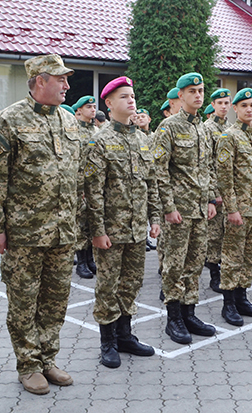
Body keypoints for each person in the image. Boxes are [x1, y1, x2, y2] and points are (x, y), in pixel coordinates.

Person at [0, 54, 81, 395]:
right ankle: (28, 364)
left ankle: (47, 358)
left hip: (63, 232)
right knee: (24, 302)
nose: (67, 85)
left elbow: (75, 177)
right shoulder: (9, 120)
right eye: (61, 79)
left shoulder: (69, 121)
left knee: (55, 300)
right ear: (40, 81)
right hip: (25, 234)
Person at [84, 77, 161, 368]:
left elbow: (150, 183)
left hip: (137, 228)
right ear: (109, 103)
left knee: (131, 283)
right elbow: (92, 192)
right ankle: (108, 342)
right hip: (111, 231)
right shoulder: (99, 141)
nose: (131, 101)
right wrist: (97, 231)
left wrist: (154, 219)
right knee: (108, 285)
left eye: (132, 95)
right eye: (124, 97)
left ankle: (125, 334)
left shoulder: (142, 138)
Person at [152, 72, 218, 344]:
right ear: (180, 96)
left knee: (194, 263)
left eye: (201, 90)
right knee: (174, 265)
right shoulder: (168, 127)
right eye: (192, 91)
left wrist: (212, 199)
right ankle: (174, 317)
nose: (198, 95)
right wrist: (168, 207)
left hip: (200, 210)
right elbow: (158, 171)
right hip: (178, 210)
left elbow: (209, 168)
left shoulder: (203, 128)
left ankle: (190, 312)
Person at [216, 88, 252, 325]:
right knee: (232, 257)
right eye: (244, 106)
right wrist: (231, 209)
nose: (249, 109)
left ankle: (242, 297)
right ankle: (228, 303)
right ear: (235, 109)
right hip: (239, 209)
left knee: (251, 255)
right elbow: (224, 177)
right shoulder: (228, 137)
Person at [203, 88, 232, 293]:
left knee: (227, 234)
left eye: (226, 103)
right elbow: (206, 164)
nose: (223, 106)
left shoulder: (230, 128)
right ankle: (214, 275)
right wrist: (213, 194)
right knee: (214, 235)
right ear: (213, 105)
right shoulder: (206, 128)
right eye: (219, 103)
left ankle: (223, 270)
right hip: (215, 192)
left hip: (229, 191)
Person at [72, 95, 99, 279]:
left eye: (94, 106)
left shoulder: (97, 131)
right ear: (79, 110)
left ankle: (90, 259)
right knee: (81, 225)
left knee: (91, 223)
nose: (93, 110)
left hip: (94, 185)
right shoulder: (74, 131)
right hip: (80, 186)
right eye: (89, 107)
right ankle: (81, 262)